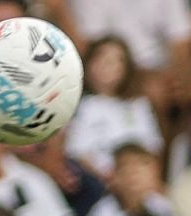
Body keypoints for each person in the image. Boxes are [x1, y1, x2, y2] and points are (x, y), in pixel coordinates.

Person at [64, 35, 166, 180]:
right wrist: (113, 179)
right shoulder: (78, 106)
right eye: (101, 58)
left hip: (139, 180)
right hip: (99, 184)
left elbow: (153, 148)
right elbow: (77, 153)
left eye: (117, 60)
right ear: (88, 63)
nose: (108, 64)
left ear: (126, 68)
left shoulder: (138, 106)